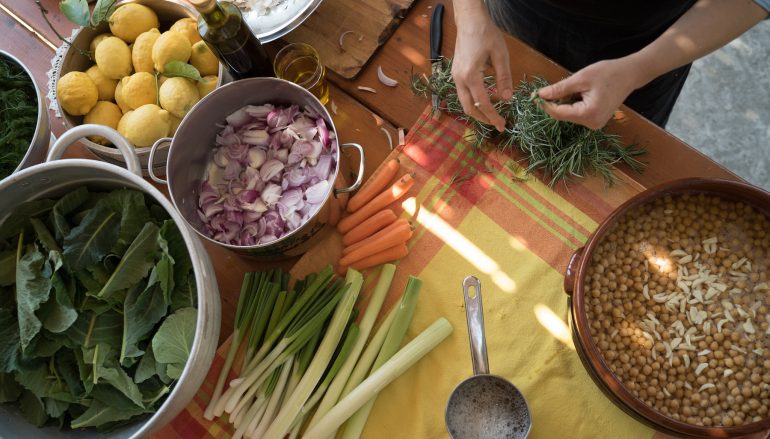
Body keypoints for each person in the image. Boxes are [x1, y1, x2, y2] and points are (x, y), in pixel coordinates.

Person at [451, 0, 770, 131]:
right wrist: (468, 16)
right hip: (515, 15)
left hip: (646, 46)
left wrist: (638, 69)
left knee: (613, 154)